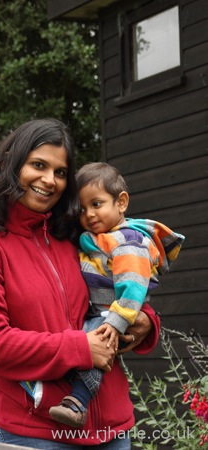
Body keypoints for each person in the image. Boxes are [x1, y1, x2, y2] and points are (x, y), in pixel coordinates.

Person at [0, 119, 161, 450]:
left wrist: (146, 320)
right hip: (35, 432)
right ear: (9, 164)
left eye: (60, 172)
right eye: (38, 165)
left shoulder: (76, 237)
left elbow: (116, 287)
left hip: (112, 431)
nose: (50, 180)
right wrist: (80, 349)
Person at [49, 162, 185, 428]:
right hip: (104, 310)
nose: (88, 214)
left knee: (98, 347)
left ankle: (77, 402)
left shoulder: (127, 241)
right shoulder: (101, 237)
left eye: (97, 204)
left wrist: (116, 320)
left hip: (113, 312)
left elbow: (133, 285)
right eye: (83, 209)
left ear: (121, 202)